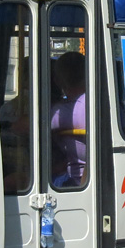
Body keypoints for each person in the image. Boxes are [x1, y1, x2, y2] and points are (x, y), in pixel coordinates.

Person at [49, 51, 87, 187]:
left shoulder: (63, 113)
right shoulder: (96, 103)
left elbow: (26, 126)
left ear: (57, 81)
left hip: (75, 179)